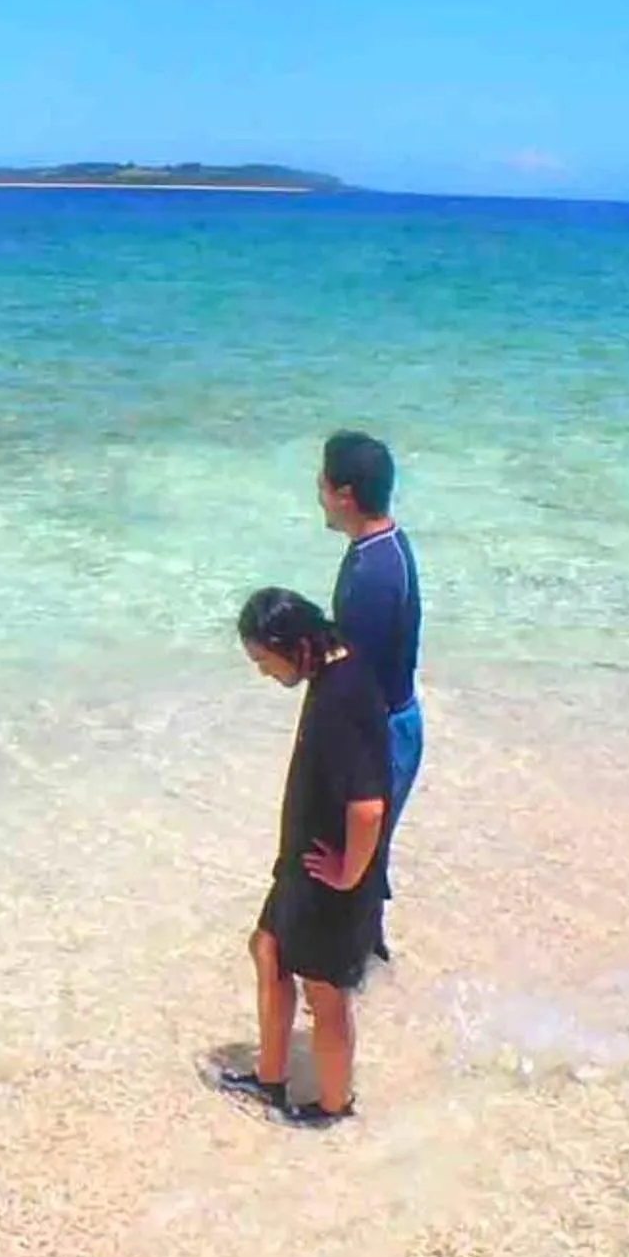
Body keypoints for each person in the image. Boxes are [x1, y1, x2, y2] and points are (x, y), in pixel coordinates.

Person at [215, 588, 391, 1127]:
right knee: (267, 948)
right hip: (304, 864)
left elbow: (367, 809)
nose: (264, 674)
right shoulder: (335, 670)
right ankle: (271, 1079)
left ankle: (333, 1107)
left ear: (287, 644)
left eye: (263, 661)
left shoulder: (341, 700)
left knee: (324, 991)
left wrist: (347, 876)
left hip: (328, 874)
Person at [320, 429, 423, 952]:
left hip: (382, 729)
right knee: (367, 853)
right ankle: (366, 964)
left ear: (344, 494)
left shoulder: (372, 575)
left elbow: (355, 682)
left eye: (322, 480)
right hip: (395, 720)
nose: (316, 489)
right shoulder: (383, 546)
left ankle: (346, 975)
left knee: (351, 855)